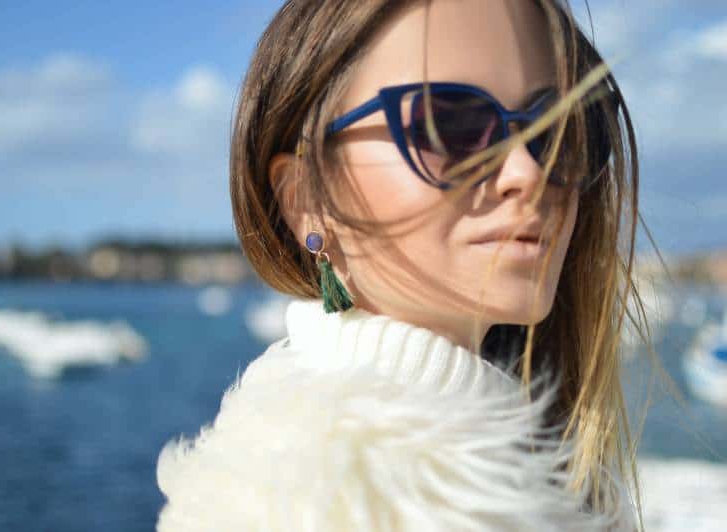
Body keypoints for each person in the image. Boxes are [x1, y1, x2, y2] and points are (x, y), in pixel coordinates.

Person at [156, 0, 649, 530]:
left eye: (559, 131)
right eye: (449, 126)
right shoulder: (305, 502)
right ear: (305, 201)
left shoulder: (533, 474)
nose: (528, 172)